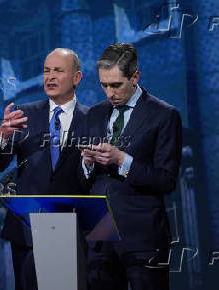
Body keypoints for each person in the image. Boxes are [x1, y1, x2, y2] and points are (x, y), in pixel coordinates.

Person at [80, 43, 183, 290]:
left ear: (135, 76)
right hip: (100, 239)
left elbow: (166, 180)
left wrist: (121, 160)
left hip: (144, 240)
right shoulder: (94, 114)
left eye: (116, 85)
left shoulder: (164, 115)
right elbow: (84, 181)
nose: (109, 93)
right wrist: (86, 164)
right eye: (104, 85)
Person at [0, 48, 89, 290]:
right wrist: (1, 135)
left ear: (77, 78)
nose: (50, 77)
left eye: (58, 71)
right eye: (46, 71)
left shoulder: (92, 118)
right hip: (27, 230)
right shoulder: (24, 115)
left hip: (73, 231)